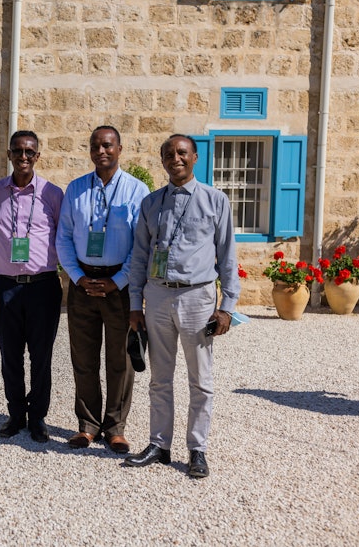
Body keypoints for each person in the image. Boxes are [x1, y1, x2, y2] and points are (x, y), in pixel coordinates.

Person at [124, 134, 240, 479]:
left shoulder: (215, 201)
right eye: (169, 154)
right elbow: (141, 256)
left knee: (200, 379)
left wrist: (227, 306)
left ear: (195, 158)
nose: (175, 158)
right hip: (158, 296)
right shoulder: (151, 203)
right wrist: (135, 303)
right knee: (160, 378)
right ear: (162, 160)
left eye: (182, 153)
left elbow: (228, 256)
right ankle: (159, 444)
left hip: (197, 298)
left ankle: (197, 449)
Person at [56, 126, 150, 452]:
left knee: (120, 360)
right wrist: (78, 277)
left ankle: (115, 427)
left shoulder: (137, 191)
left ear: (120, 149)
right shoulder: (76, 189)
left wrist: (118, 280)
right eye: (96, 145)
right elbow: (64, 238)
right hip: (83, 282)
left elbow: (141, 244)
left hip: (120, 285)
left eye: (108, 145)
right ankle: (87, 425)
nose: (101, 151)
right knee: (83, 357)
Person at [0, 130, 64, 443]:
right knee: (10, 355)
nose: (24, 157)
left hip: (43, 286)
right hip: (5, 287)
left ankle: (38, 417)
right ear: (9, 154)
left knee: (41, 356)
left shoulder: (52, 194)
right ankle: (16, 414)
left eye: (30, 151)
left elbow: (63, 237)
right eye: (18, 151)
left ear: (38, 156)